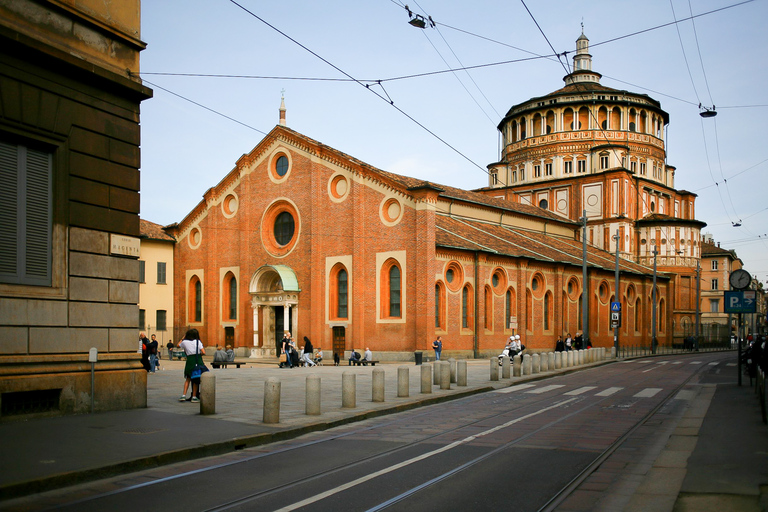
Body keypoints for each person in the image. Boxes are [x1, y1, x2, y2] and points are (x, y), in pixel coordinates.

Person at [178, 329, 205, 402]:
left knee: (188, 378)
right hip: (197, 360)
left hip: (189, 360)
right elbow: (203, 352)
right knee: (196, 379)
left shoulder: (185, 342)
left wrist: (183, 338)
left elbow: (178, 345)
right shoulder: (197, 341)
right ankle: (194, 396)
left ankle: (183, 395)